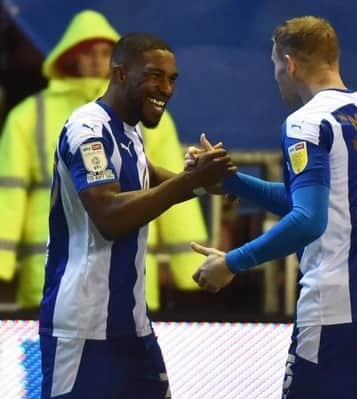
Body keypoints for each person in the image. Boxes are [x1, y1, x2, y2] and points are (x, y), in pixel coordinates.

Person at [188, 16, 357, 399]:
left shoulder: (305, 122)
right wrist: (230, 181)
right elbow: (326, 206)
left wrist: (231, 263)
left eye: (276, 66)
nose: (277, 76)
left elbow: (309, 220)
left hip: (334, 307)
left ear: (289, 63)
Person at [39, 32, 234, 399]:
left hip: (133, 330)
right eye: (155, 77)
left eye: (173, 79)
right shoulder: (88, 130)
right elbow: (109, 216)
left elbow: (146, 178)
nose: (166, 89)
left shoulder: (128, 130)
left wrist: (206, 181)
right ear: (120, 74)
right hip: (83, 330)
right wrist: (187, 183)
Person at [0, 10, 208, 312]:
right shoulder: (31, 114)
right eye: (87, 53)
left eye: (104, 53)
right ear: (70, 57)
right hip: (57, 274)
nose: (96, 60)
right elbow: (8, 192)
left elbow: (172, 184)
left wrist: (189, 264)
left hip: (128, 275)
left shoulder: (147, 112)